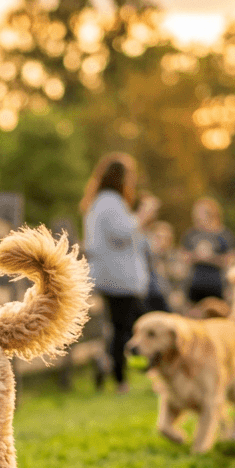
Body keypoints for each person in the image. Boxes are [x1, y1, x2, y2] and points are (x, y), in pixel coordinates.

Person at [81, 152, 151, 393]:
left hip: (110, 274)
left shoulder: (100, 202)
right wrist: (143, 216)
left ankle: (108, 362)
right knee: (126, 328)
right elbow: (122, 233)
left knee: (118, 326)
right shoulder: (110, 202)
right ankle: (119, 377)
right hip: (118, 277)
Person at [182, 197, 235, 303]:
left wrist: (210, 258)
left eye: (200, 212)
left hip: (219, 287)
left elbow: (231, 261)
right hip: (194, 287)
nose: (196, 216)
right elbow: (184, 259)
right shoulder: (191, 234)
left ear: (211, 213)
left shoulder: (224, 235)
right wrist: (197, 256)